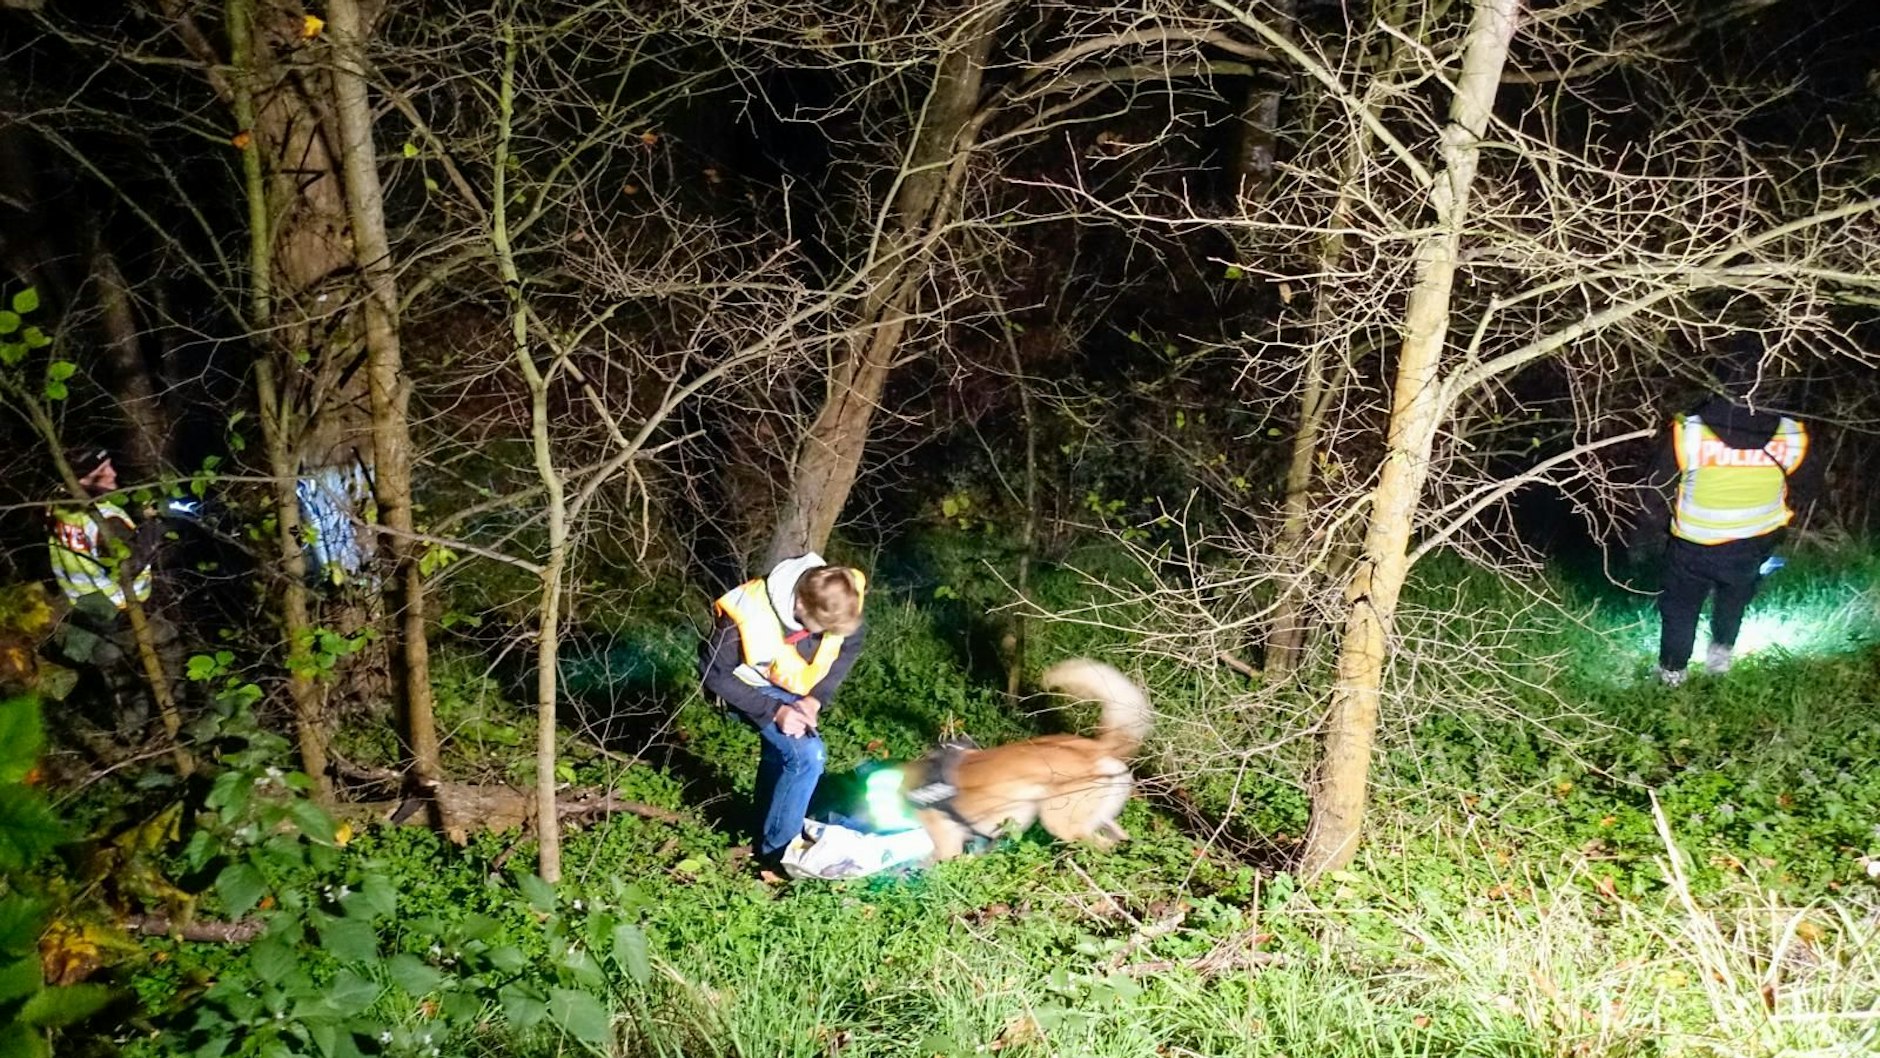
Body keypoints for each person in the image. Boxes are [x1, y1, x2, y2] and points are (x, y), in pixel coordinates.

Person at [1631, 337, 1822, 686]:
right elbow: (1809, 488)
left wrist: (1644, 541)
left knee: (1681, 608)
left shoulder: (1689, 431)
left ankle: (1672, 674)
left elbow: (1654, 493)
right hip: (1755, 544)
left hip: (1694, 544)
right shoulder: (1792, 434)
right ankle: (1720, 660)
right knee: (1734, 599)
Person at [700, 553, 867, 876]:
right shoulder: (745, 614)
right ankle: (779, 857)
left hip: (790, 685)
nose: (828, 634)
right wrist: (774, 712)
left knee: (784, 757)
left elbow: (851, 642)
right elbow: (714, 673)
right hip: (746, 687)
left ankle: (764, 826)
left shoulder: (842, 591)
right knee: (807, 755)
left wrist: (816, 699)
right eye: (823, 629)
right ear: (801, 607)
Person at [45, 448, 175, 726]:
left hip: (86, 609)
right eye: (102, 472)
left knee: (117, 678)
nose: (113, 473)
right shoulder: (106, 517)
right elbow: (128, 567)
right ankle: (178, 722)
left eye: (110, 465)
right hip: (122, 609)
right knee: (169, 651)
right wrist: (154, 527)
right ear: (80, 482)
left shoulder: (58, 507)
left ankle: (129, 733)